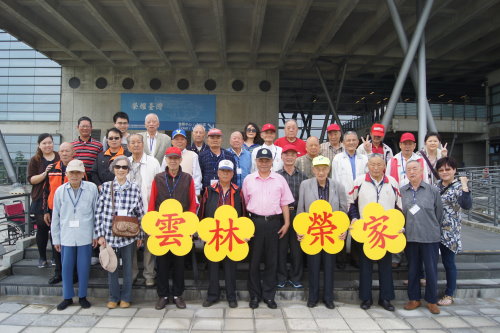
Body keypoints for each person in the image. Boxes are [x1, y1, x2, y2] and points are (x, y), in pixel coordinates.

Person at [348, 154, 402, 312]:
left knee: (386, 266)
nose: (376, 167)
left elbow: (399, 207)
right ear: (368, 165)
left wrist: (398, 225)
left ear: (384, 166)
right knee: (365, 266)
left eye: (379, 164)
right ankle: (366, 298)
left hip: (386, 232)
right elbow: (351, 203)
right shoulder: (359, 181)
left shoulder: (392, 182)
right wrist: (355, 218)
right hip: (365, 231)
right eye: (372, 164)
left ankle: (386, 298)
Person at [243, 147, 294, 309]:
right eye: (261, 160)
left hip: (274, 223)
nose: (264, 163)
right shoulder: (248, 179)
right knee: (254, 261)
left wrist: (286, 223)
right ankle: (254, 296)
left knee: (273, 261)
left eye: (267, 160)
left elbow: (285, 203)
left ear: (272, 162)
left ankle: (269, 295)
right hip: (255, 223)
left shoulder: (279, 179)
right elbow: (244, 204)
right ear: (256, 162)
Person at [149, 147, 198, 310]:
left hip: (181, 229)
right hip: (162, 229)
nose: (173, 161)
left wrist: (190, 228)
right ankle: (163, 295)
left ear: (180, 160)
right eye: (170, 158)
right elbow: (152, 204)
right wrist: (151, 227)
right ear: (166, 160)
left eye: (176, 158)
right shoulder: (158, 178)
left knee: (179, 264)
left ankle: (178, 294)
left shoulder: (187, 178)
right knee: (162, 264)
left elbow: (192, 204)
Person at [296, 156, 347, 309]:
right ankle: (312, 297)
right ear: (313, 170)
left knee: (329, 266)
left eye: (324, 168)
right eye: (318, 168)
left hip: (331, 235)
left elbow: (343, 210)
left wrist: (343, 229)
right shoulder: (305, 185)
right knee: (313, 266)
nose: (321, 171)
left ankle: (328, 298)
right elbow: (301, 209)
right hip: (312, 234)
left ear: (328, 169)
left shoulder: (337, 186)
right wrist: (300, 230)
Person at [95, 156, 145, 309]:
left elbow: (140, 212)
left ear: (128, 170)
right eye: (118, 167)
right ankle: (113, 296)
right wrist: (100, 235)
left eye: (124, 167)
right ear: (113, 169)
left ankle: (126, 297)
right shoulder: (105, 187)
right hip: (110, 235)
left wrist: (140, 235)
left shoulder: (135, 187)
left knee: (129, 268)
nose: (121, 170)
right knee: (112, 266)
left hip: (129, 236)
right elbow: (98, 211)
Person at [51, 159, 99, 311]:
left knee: (84, 267)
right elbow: (56, 216)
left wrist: (95, 234)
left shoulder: (91, 188)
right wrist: (56, 238)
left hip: (85, 234)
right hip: (66, 235)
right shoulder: (60, 191)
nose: (74, 175)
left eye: (78, 172)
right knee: (66, 267)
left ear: (83, 173)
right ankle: (67, 297)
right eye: (72, 172)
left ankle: (83, 296)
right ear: (66, 174)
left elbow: (96, 212)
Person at [198, 160, 246, 308]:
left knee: (231, 266)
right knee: (212, 265)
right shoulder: (209, 190)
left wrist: (244, 233)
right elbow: (202, 212)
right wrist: (201, 231)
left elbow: (244, 214)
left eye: (228, 171)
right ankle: (212, 295)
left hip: (232, 235)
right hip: (214, 234)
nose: (225, 174)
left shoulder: (238, 191)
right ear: (218, 173)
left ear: (232, 174)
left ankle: (232, 296)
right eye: (223, 171)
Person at [401, 160, 443, 315]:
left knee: (431, 270)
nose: (412, 172)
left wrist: (431, 227)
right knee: (413, 270)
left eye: (415, 169)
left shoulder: (432, 190)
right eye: (409, 169)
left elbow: (439, 214)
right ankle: (414, 299)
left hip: (429, 237)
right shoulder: (402, 191)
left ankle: (432, 300)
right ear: (406, 173)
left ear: (421, 171)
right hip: (410, 237)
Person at [435, 157, 472, 306]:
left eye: (448, 169)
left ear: (454, 170)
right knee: (429, 260)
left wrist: (465, 186)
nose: (444, 172)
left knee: (448, 263)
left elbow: (466, 204)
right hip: (434, 230)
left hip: (450, 232)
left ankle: (449, 294)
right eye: (441, 170)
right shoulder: (436, 185)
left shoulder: (458, 186)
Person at [127, 134, 161, 287]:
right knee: (131, 243)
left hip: (148, 209)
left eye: (138, 142)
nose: (136, 145)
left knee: (149, 244)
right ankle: (132, 274)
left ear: (143, 144)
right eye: (132, 143)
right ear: (128, 146)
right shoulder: (124, 162)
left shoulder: (153, 162)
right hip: (129, 212)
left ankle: (149, 274)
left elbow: (158, 186)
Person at [331, 131, 367, 268]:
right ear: (343, 143)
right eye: (348, 140)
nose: (351, 143)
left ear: (358, 142)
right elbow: (335, 180)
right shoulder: (338, 159)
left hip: (360, 198)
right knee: (341, 228)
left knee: (358, 228)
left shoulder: (364, 158)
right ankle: (340, 260)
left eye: (353, 140)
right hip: (343, 197)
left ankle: (356, 259)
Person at [42, 142, 75, 284]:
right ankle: (58, 273)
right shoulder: (52, 169)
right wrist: (45, 211)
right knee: (56, 242)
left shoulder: (78, 169)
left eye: (67, 151)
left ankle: (73, 273)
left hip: (72, 213)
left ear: (73, 153)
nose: (64, 153)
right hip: (55, 211)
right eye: (62, 151)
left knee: (72, 243)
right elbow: (45, 191)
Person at [276, 145, 307, 289]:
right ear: (282, 157)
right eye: (286, 154)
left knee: (296, 249)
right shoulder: (276, 176)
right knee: (281, 249)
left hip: (297, 214)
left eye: (292, 155)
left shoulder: (303, 177)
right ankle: (281, 277)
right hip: (279, 215)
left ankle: (296, 277)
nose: (289, 157)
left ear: (296, 157)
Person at [28, 133, 60, 268]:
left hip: (56, 197)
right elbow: (31, 180)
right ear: (39, 145)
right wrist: (45, 173)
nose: (48, 145)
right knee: (42, 228)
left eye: (50, 142)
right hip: (40, 198)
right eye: (44, 143)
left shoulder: (59, 156)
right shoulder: (35, 160)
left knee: (56, 228)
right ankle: (42, 257)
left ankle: (55, 256)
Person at [161, 129, 202, 196]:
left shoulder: (193, 155)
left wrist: (196, 193)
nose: (179, 141)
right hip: (169, 193)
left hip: (187, 193)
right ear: (172, 142)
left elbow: (197, 176)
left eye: (182, 139)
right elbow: (162, 174)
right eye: (176, 139)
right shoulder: (167, 156)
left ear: (186, 141)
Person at [198, 128, 237, 192]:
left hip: (226, 192)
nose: (215, 140)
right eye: (212, 138)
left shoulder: (229, 155)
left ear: (222, 140)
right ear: (207, 140)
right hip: (207, 192)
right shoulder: (202, 156)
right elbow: (200, 176)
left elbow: (234, 176)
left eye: (218, 138)